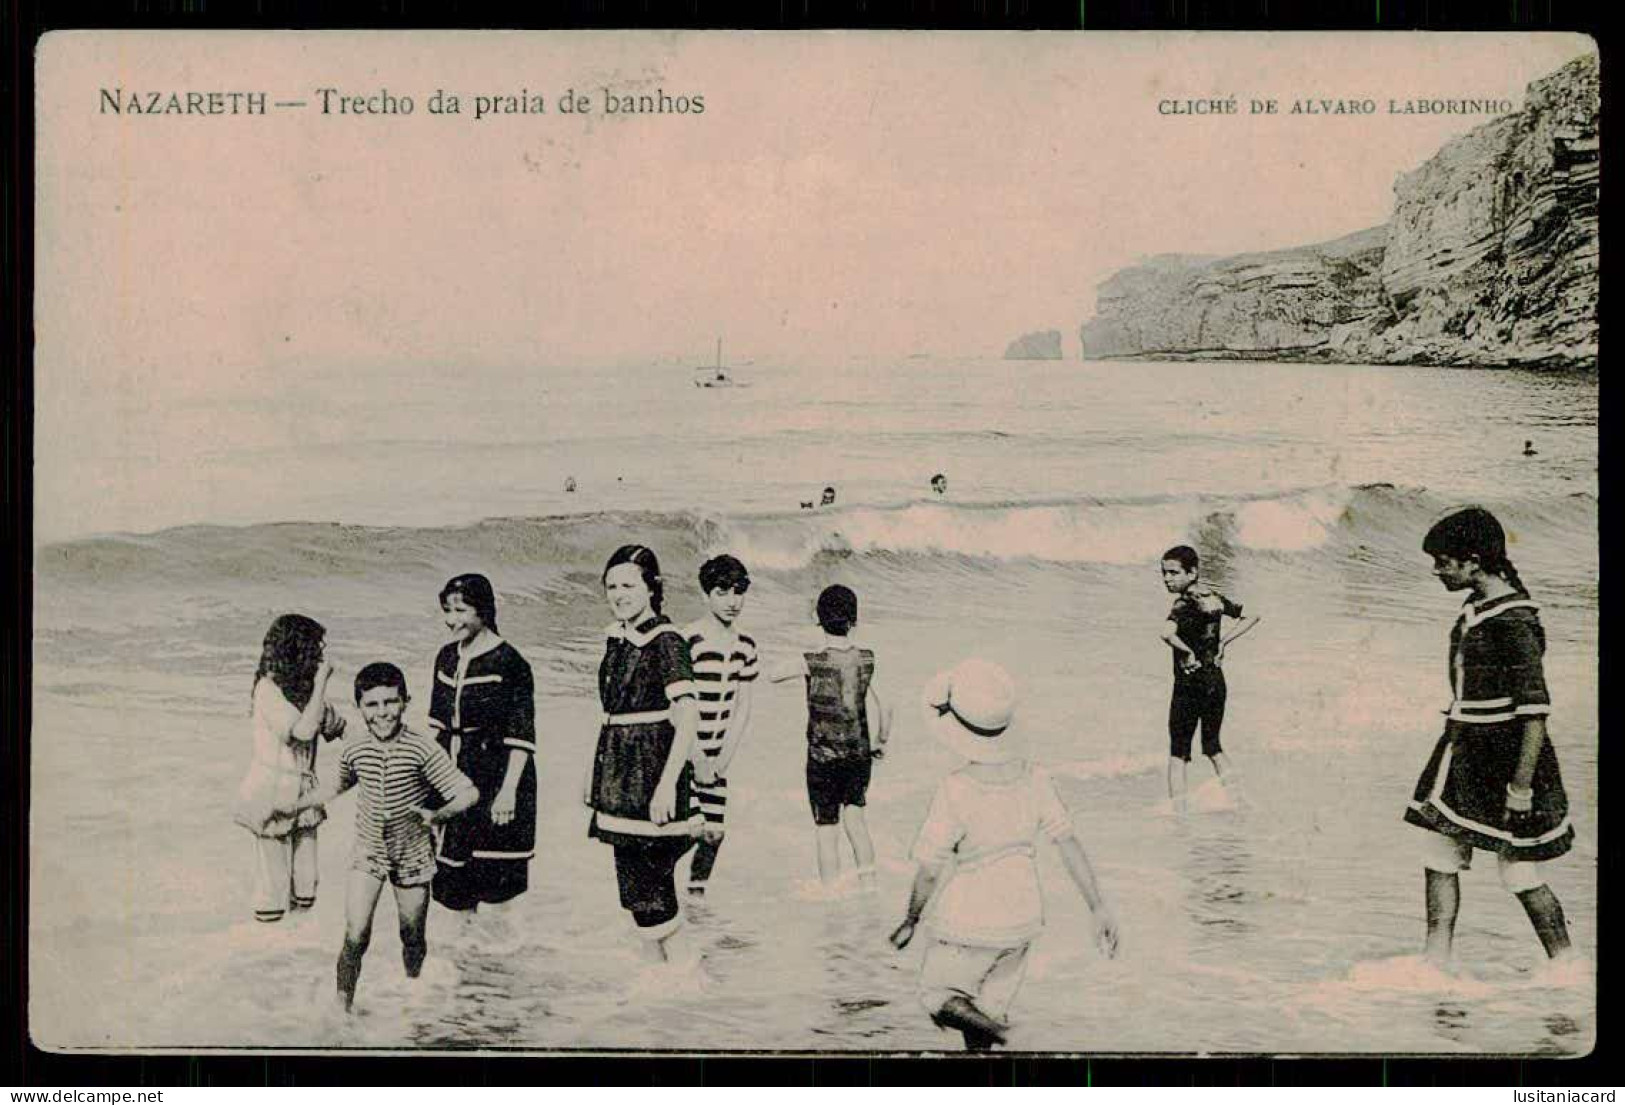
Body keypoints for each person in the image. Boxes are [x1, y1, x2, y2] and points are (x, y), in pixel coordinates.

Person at [890, 658, 1118, 1051]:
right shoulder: (1035, 777)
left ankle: (1010, 1037)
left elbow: (930, 869)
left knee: (937, 994)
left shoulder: (956, 788)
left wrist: (911, 919)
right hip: (1024, 915)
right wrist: (1097, 906)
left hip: (972, 914)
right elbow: (1068, 843)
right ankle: (995, 1040)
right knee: (984, 1019)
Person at [1403, 507, 1575, 966]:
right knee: (1439, 852)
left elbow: (1534, 713)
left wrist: (1521, 788)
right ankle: (1434, 963)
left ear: (1473, 561)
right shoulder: (1477, 608)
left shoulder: (1513, 619)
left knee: (1519, 872)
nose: (1437, 571)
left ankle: (1567, 969)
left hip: (1506, 759)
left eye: (1444, 562)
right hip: (1463, 753)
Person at [290, 663, 477, 1011]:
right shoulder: (355, 747)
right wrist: (291, 806)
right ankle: (342, 1010)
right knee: (355, 934)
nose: (382, 712)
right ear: (360, 707)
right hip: (369, 852)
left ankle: (412, 996)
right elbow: (335, 786)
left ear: (406, 702)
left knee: (412, 936)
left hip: (413, 854)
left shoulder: (422, 748)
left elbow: (467, 792)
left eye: (391, 702)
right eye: (372, 705)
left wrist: (436, 816)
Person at [585, 545, 704, 964]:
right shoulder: (617, 637)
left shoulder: (666, 640)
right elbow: (611, 715)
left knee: (652, 891)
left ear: (651, 588)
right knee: (638, 893)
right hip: (621, 776)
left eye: (629, 585)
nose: (619, 594)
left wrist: (666, 786)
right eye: (611, 586)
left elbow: (688, 714)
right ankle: (660, 989)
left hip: (651, 775)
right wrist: (593, 778)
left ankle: (686, 982)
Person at [428, 574, 538, 925]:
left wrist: (507, 794)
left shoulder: (511, 662)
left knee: (495, 890)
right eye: (447, 610)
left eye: (461, 610)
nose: (451, 619)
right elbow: (436, 726)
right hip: (454, 775)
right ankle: (466, 971)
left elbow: (521, 736)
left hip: (498, 774)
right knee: (453, 888)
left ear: (483, 611)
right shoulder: (446, 657)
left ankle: (499, 971)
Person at [768, 584, 891, 887]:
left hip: (822, 758)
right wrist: (881, 741)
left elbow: (773, 674)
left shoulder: (812, 661)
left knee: (827, 830)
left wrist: (805, 663)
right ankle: (869, 887)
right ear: (855, 621)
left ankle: (831, 893)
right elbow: (886, 706)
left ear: (817, 619)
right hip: (858, 755)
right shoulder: (867, 659)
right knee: (857, 822)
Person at [234, 614, 347, 923]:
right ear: (296, 651)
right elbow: (303, 732)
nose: (321, 656)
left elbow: (335, 728)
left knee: (307, 876)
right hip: (272, 788)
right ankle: (268, 945)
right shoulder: (267, 690)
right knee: (274, 879)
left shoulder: (306, 690)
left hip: (303, 790)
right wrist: (322, 683)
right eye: (316, 650)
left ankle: (298, 948)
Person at [680, 555, 760, 895]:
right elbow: (679, 705)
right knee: (684, 831)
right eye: (722, 592)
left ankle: (696, 900)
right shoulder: (689, 640)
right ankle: (661, 905)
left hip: (717, 756)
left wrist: (722, 759)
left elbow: (743, 706)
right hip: (683, 752)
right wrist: (695, 755)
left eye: (738, 592)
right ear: (706, 595)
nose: (732, 601)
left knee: (714, 834)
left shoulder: (745, 646)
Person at [1159, 545, 1259, 809]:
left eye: (1173, 573)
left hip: (1188, 686)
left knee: (1178, 753)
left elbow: (1166, 633)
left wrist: (1187, 652)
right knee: (1213, 747)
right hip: (1215, 682)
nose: (1167, 579)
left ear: (1192, 573)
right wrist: (1224, 643)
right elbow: (1252, 615)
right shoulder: (1212, 597)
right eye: (1164, 573)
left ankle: (1179, 814)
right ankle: (1239, 802)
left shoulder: (1182, 603)